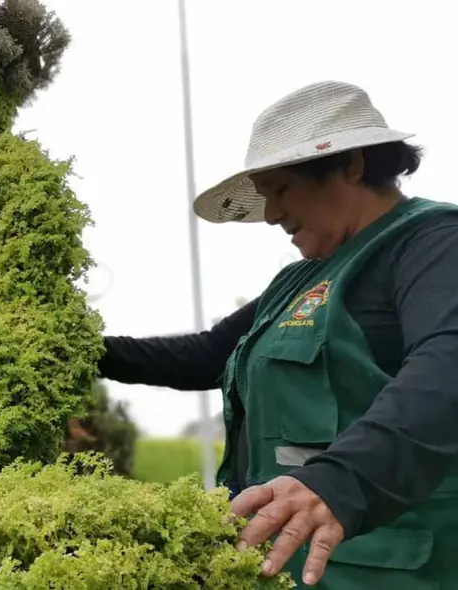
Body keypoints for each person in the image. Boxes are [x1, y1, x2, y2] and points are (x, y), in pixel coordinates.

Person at [100, 80, 458, 588]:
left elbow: (446, 364)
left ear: (351, 165)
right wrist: (84, 351)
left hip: (393, 566)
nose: (270, 216)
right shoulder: (298, 279)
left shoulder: (432, 242)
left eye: (282, 190)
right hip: (289, 562)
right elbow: (208, 355)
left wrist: (341, 483)